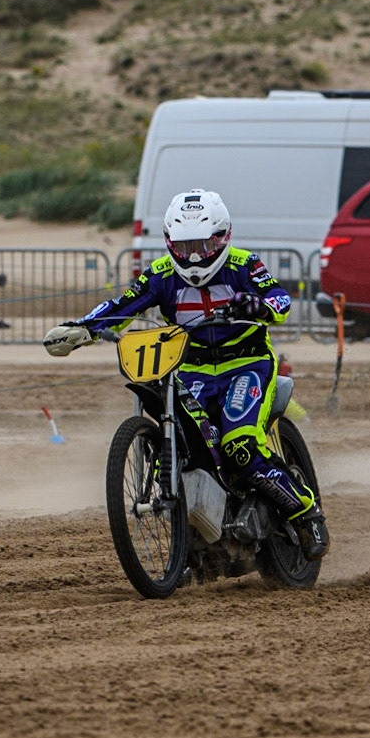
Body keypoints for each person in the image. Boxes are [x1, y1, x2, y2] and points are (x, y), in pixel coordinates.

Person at [42, 189, 330, 559]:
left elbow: (280, 301)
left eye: (203, 244)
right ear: (169, 243)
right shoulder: (161, 275)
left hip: (246, 364)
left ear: (223, 236)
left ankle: (305, 512)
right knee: (177, 443)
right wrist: (82, 329)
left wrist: (255, 304)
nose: (194, 256)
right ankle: (194, 529)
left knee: (239, 443)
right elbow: (122, 305)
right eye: (185, 245)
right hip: (190, 367)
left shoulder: (244, 264)